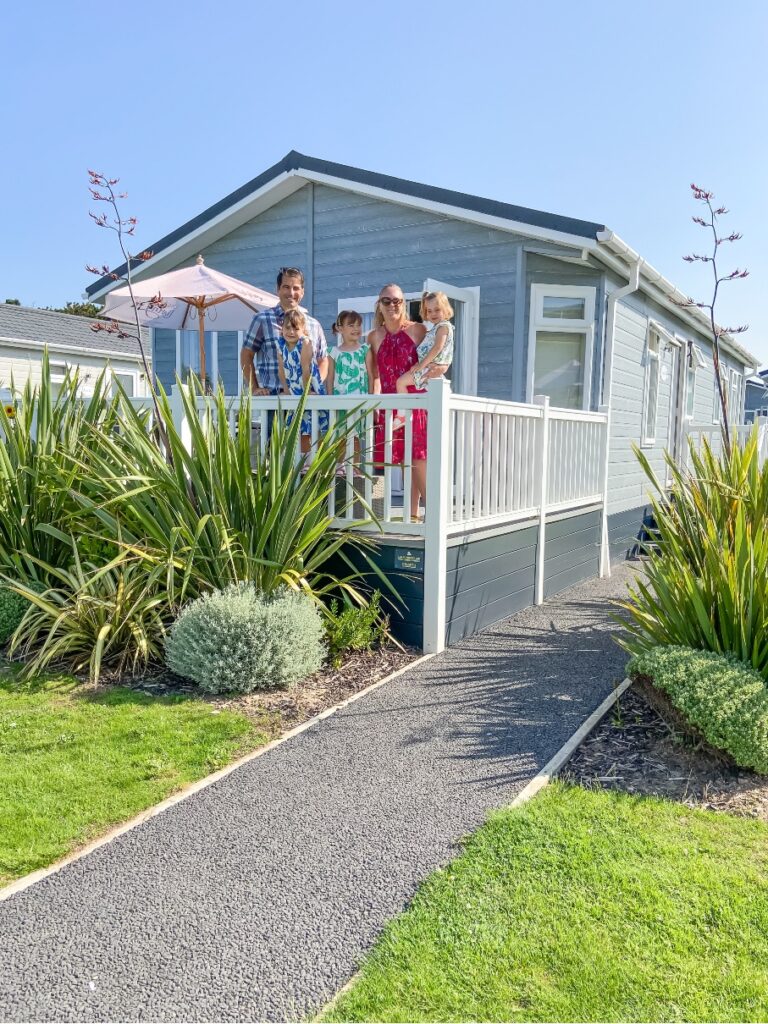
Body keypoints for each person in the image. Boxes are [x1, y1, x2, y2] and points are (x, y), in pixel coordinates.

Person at [368, 284, 428, 520]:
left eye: (398, 301)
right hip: (389, 406)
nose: (393, 305)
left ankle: (432, 512)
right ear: (379, 305)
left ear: (403, 304)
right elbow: (375, 376)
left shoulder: (418, 330)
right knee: (404, 460)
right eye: (387, 301)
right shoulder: (373, 337)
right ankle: (412, 515)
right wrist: (374, 404)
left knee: (418, 458)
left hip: (415, 404)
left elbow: (435, 360)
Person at [241, 267, 328, 395]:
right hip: (275, 401)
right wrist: (254, 388)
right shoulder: (262, 320)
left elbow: (323, 360)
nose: (291, 293)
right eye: (286, 287)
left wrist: (313, 385)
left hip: (308, 401)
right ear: (278, 289)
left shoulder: (314, 325)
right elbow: (246, 355)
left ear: (302, 292)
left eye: (296, 288)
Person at [328, 310, 375, 473]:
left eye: (358, 325)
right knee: (340, 435)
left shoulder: (365, 350)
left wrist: (370, 399)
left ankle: (354, 468)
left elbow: (371, 375)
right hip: (340, 401)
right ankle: (340, 468)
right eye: (351, 325)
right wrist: (329, 401)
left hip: (359, 400)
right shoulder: (333, 352)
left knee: (354, 436)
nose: (356, 328)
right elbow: (330, 377)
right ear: (340, 328)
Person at [276, 309, 329, 454]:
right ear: (282, 328)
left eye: (295, 328)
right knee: (299, 427)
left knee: (313, 427)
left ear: (303, 329)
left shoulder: (305, 343)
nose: (291, 331)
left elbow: (305, 369)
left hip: (309, 387)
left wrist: (307, 391)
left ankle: (317, 461)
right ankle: (305, 461)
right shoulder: (280, 344)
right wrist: (286, 390)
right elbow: (281, 370)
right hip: (294, 389)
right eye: (288, 327)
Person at [396, 291, 454, 395]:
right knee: (434, 395)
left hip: (428, 367)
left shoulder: (443, 327)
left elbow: (437, 348)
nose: (433, 314)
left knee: (400, 383)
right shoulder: (436, 328)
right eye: (429, 311)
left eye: (437, 310)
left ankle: (403, 411)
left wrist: (421, 365)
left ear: (445, 309)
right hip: (429, 366)